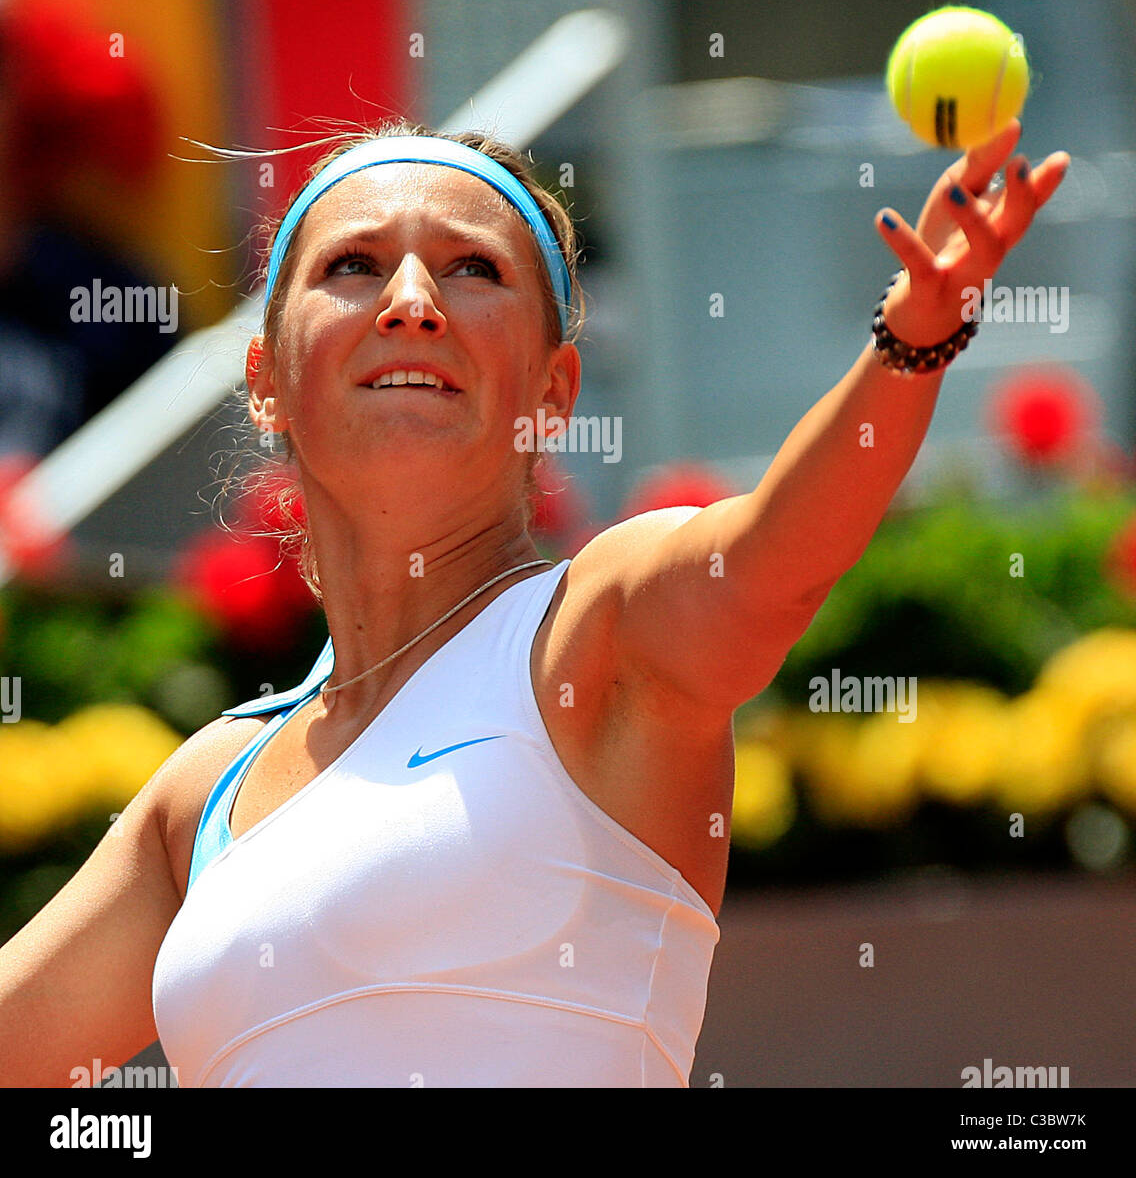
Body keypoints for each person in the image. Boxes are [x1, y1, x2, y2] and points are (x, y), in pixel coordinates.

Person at [0, 116, 1068, 1088]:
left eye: (471, 269)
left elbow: (775, 555)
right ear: (266, 378)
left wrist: (907, 345)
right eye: (354, 265)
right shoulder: (205, 789)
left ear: (553, 391)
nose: (411, 301)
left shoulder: (595, 630)